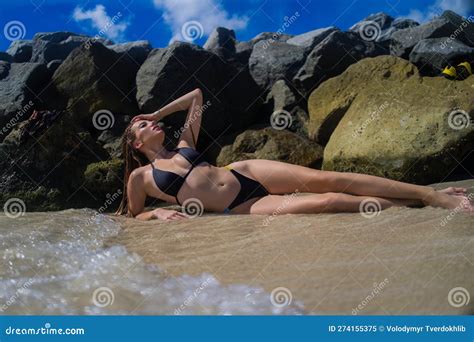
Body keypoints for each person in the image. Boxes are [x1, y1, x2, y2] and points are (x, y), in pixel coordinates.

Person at [114, 88, 472, 221]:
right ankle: (412, 205)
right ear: (135, 145)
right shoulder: (140, 178)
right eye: (141, 127)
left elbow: (195, 96)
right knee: (328, 201)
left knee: (329, 179)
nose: (150, 126)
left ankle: (429, 194)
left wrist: (158, 114)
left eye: (150, 122)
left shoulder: (184, 144)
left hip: (247, 172)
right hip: (239, 206)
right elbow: (136, 216)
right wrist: (158, 215)